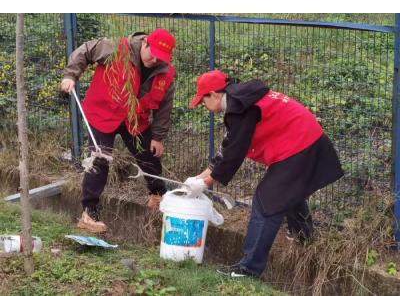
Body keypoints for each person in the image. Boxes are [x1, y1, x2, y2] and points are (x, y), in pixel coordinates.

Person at [185, 70, 344, 278]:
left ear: (214, 95)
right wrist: (199, 179)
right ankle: (305, 239)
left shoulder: (241, 108)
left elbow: (233, 154)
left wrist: (206, 183)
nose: (203, 107)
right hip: (305, 142)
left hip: (300, 146)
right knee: (287, 194)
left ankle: (248, 269)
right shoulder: (241, 100)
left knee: (266, 202)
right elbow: (227, 149)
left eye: (202, 101)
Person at [60, 29, 176, 233]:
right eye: (153, 53)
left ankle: (158, 197)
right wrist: (71, 75)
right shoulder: (115, 47)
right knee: (100, 159)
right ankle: (89, 213)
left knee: (148, 155)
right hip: (103, 112)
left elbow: (164, 107)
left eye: (161, 57)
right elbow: (85, 50)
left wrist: (158, 136)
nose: (156, 59)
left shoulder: (165, 73)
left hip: (134, 118)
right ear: (145, 44)